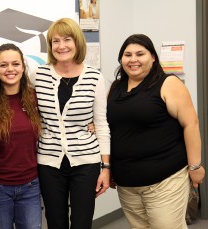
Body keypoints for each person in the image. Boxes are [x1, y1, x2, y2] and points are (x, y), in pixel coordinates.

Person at [106, 34, 205, 228]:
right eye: (127, 54)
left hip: (165, 180)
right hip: (127, 183)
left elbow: (191, 124)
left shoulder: (168, 84)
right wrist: (108, 168)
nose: (133, 59)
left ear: (152, 57)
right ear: (121, 59)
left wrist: (195, 166)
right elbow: (110, 128)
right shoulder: (115, 88)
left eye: (140, 54)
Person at [30, 18, 110, 229]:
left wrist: (106, 167)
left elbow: (101, 124)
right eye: (55, 41)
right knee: (56, 222)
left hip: (86, 161)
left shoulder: (94, 77)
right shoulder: (38, 75)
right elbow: (18, 103)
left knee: (82, 223)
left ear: (77, 43)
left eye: (67, 39)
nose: (61, 46)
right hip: (49, 162)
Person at [0, 43, 42, 228]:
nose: (10, 69)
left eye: (15, 63)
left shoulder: (34, 98)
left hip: (31, 185)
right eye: (3, 65)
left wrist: (91, 124)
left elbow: (61, 120)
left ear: (23, 67)